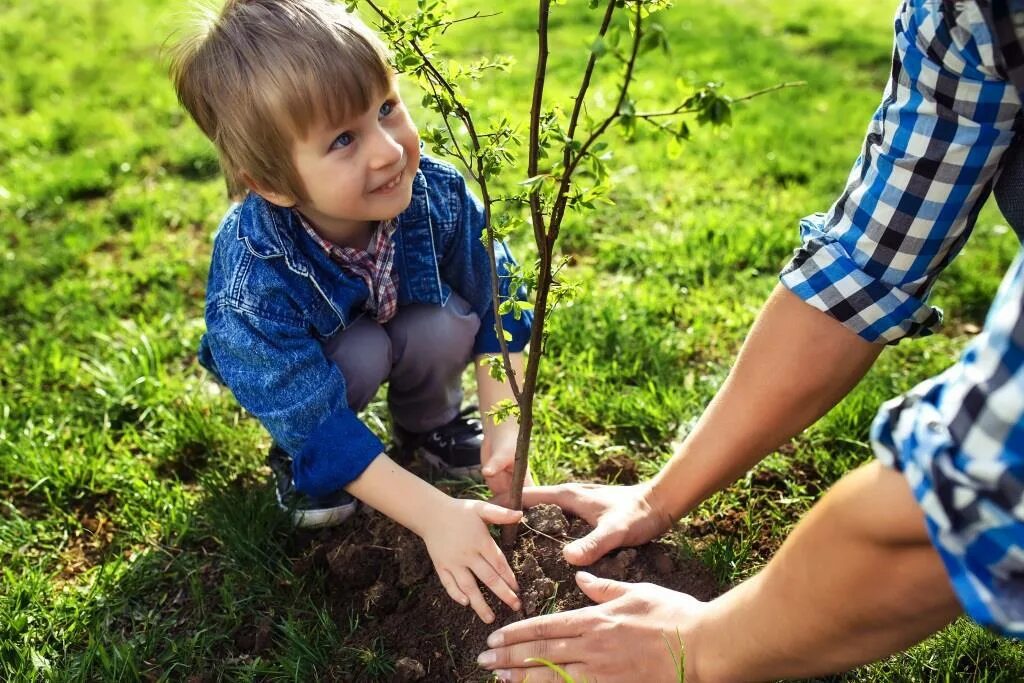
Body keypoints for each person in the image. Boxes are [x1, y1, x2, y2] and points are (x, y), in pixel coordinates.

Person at [476, 0, 1024, 679]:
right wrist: (657, 497)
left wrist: (705, 644)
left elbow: (982, 486)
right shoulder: (963, 14)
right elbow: (866, 264)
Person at [166, 0, 532, 624]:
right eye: (343, 139)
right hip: (322, 379)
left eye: (386, 108)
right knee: (357, 356)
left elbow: (501, 299)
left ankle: (429, 424)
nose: (389, 151)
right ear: (274, 185)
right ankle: (311, 465)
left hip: (402, 327)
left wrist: (506, 423)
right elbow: (305, 409)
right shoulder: (256, 276)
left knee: (445, 320)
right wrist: (434, 516)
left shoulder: (434, 194)